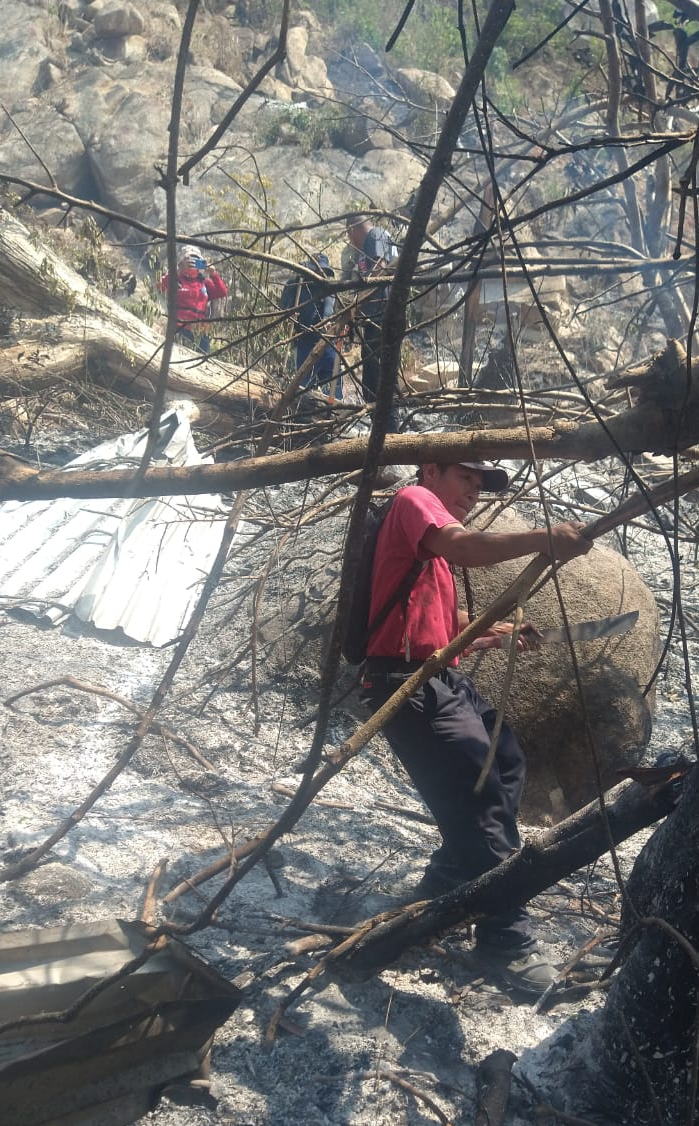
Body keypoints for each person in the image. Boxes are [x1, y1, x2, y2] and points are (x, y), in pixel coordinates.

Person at [359, 460, 592, 997]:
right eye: (466, 477)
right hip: (408, 683)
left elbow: (445, 622)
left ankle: (450, 877)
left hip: (441, 677)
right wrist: (545, 538)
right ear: (431, 470)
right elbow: (464, 547)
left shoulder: (431, 546)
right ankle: (504, 939)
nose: (474, 491)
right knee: (480, 793)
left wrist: (500, 630)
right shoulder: (415, 502)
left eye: (481, 485)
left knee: (505, 762)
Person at [345, 212, 399, 418]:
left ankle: (389, 430)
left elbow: (379, 273)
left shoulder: (375, 236)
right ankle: (379, 425)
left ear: (352, 230)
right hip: (374, 319)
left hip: (382, 317)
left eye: (349, 236)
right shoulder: (369, 244)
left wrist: (355, 307)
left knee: (381, 379)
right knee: (371, 379)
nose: (351, 242)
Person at [280, 254, 342, 397]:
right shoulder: (296, 284)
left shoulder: (328, 287)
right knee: (305, 388)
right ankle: (305, 409)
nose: (320, 274)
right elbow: (284, 306)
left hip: (327, 341)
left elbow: (330, 309)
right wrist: (290, 312)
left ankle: (336, 408)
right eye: (317, 270)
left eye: (323, 271)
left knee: (333, 387)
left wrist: (328, 321)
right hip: (304, 340)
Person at [159, 247, 228, 355]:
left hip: (201, 332)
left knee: (202, 361)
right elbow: (161, 285)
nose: (193, 262)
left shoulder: (204, 282)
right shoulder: (176, 279)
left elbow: (222, 292)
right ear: (182, 261)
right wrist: (178, 271)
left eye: (196, 260)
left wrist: (214, 274)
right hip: (179, 328)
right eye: (190, 259)